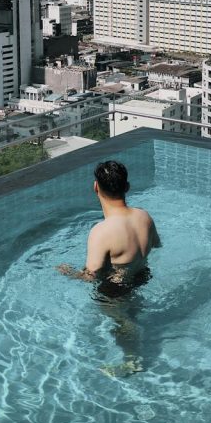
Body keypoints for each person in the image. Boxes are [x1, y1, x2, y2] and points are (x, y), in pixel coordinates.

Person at [57, 160, 161, 375]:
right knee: (132, 313)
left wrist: (69, 273)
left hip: (115, 288)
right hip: (142, 275)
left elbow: (91, 276)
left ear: (96, 187)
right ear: (127, 187)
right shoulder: (144, 216)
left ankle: (133, 361)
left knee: (122, 323)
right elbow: (155, 244)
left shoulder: (102, 231)